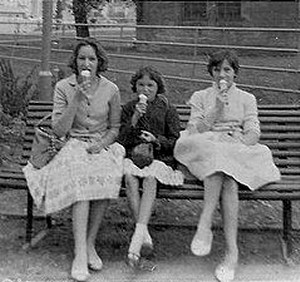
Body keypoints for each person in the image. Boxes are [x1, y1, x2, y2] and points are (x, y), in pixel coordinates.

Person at [23, 38, 125, 282]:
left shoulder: (111, 89)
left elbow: (114, 128)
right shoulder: (63, 87)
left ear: (99, 62)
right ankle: (80, 253)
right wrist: (77, 98)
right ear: (75, 62)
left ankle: (89, 244)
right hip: (73, 144)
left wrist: (101, 145)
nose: (86, 63)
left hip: (102, 144)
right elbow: (58, 130)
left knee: (106, 175)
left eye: (91, 58)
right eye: (82, 58)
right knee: (81, 179)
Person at [174, 50, 281, 282]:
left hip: (235, 147)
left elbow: (253, 130)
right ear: (211, 72)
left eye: (227, 70)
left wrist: (241, 139)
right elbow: (196, 130)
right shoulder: (201, 96)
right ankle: (231, 252)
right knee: (224, 171)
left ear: (235, 73)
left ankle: (207, 225)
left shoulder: (246, 98)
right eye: (217, 69)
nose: (222, 74)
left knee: (227, 170)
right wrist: (218, 109)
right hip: (207, 146)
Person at [117, 66, 184, 271]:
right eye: (141, 85)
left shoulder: (167, 109)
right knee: (129, 177)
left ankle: (138, 235)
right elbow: (121, 138)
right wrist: (135, 118)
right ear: (135, 87)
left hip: (159, 159)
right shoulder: (129, 108)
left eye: (150, 85)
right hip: (133, 157)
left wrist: (156, 139)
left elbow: (175, 140)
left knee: (150, 179)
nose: (145, 89)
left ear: (158, 87)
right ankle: (143, 235)